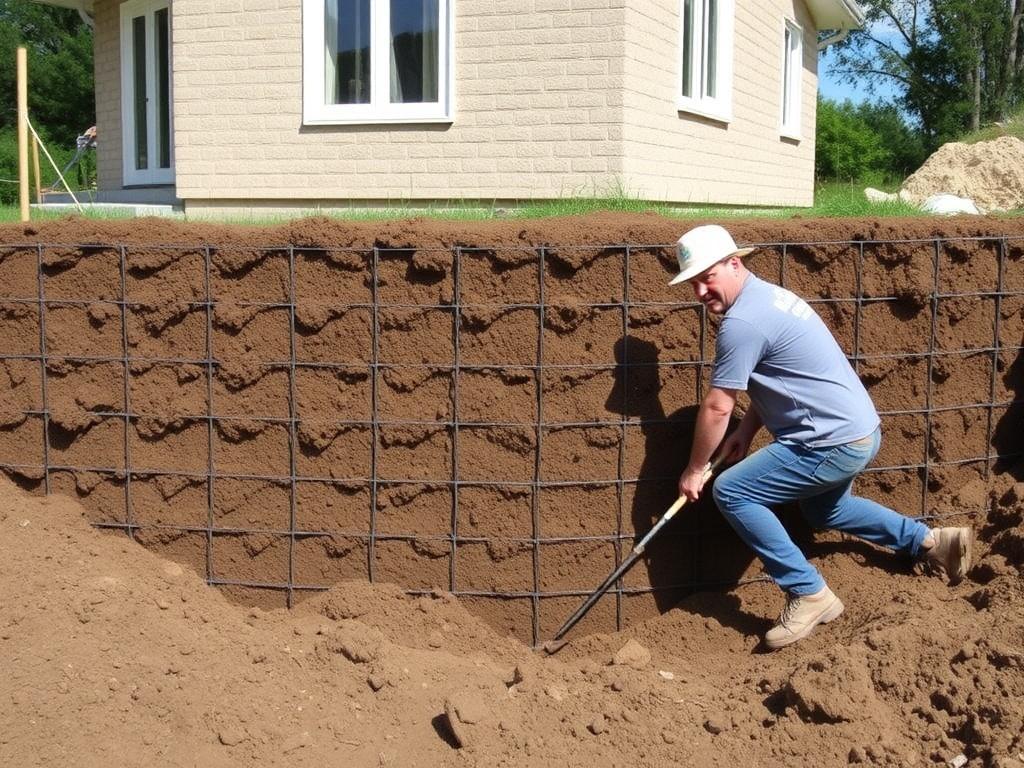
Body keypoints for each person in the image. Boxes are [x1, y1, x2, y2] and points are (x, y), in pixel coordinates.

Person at [672, 224, 973, 650]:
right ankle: (931, 541)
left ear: (734, 263)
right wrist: (747, 429)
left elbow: (718, 405)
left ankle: (808, 593)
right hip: (859, 431)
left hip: (828, 441)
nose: (702, 290)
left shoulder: (741, 322)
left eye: (708, 277)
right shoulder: (770, 297)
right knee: (823, 508)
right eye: (694, 283)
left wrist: (696, 467)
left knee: (732, 491)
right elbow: (778, 377)